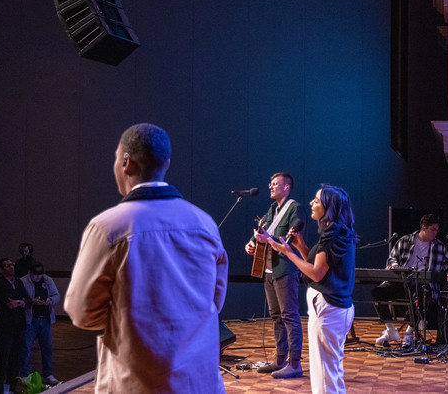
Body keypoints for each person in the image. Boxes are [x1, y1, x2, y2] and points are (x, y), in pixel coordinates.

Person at [64, 123, 228, 393]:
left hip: (134, 382)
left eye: (116, 158)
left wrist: (125, 321)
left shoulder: (108, 227)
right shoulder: (204, 223)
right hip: (198, 383)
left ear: (126, 162)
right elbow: (215, 299)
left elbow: (82, 313)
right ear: (167, 162)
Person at [258, 185, 357, 394]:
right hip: (333, 309)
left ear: (328, 207)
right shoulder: (337, 232)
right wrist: (300, 246)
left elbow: (316, 273)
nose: (312, 203)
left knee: (324, 375)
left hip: (328, 310)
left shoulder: (333, 235)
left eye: (317, 200)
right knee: (330, 372)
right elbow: (317, 265)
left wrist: (287, 253)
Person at [372, 213, 448, 347]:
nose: (435, 233)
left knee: (420, 298)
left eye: (437, 230)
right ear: (424, 227)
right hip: (401, 281)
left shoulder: (439, 246)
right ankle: (391, 330)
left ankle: (409, 333)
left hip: (424, 285)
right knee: (378, 292)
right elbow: (392, 258)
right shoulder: (405, 240)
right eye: (433, 229)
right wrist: (396, 267)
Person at [242, 172, 307, 378]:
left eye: (275, 184)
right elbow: (263, 232)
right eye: (270, 183)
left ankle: (295, 363)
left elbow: (293, 232)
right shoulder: (272, 209)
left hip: (285, 269)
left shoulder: (294, 208)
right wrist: (253, 243)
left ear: (286, 188)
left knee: (289, 315)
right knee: (276, 316)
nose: (270, 186)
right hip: (269, 270)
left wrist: (270, 239)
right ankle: (280, 360)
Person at [0, 258, 30, 394]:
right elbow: (8, 304)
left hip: (19, 326)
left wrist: (19, 302)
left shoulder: (18, 282)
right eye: (7, 265)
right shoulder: (0, 285)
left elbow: (28, 300)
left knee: (16, 360)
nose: (11, 267)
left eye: (12, 265)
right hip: (6, 327)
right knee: (4, 360)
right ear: (1, 270)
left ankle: (11, 389)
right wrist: (22, 302)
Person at [20, 262, 60, 386]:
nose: (37, 277)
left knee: (47, 348)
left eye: (40, 274)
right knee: (26, 348)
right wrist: (32, 301)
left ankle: (48, 374)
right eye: (35, 274)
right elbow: (21, 298)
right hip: (30, 319)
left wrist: (50, 300)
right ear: (30, 272)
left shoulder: (48, 280)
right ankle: (26, 375)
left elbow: (57, 295)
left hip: (45, 319)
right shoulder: (22, 281)